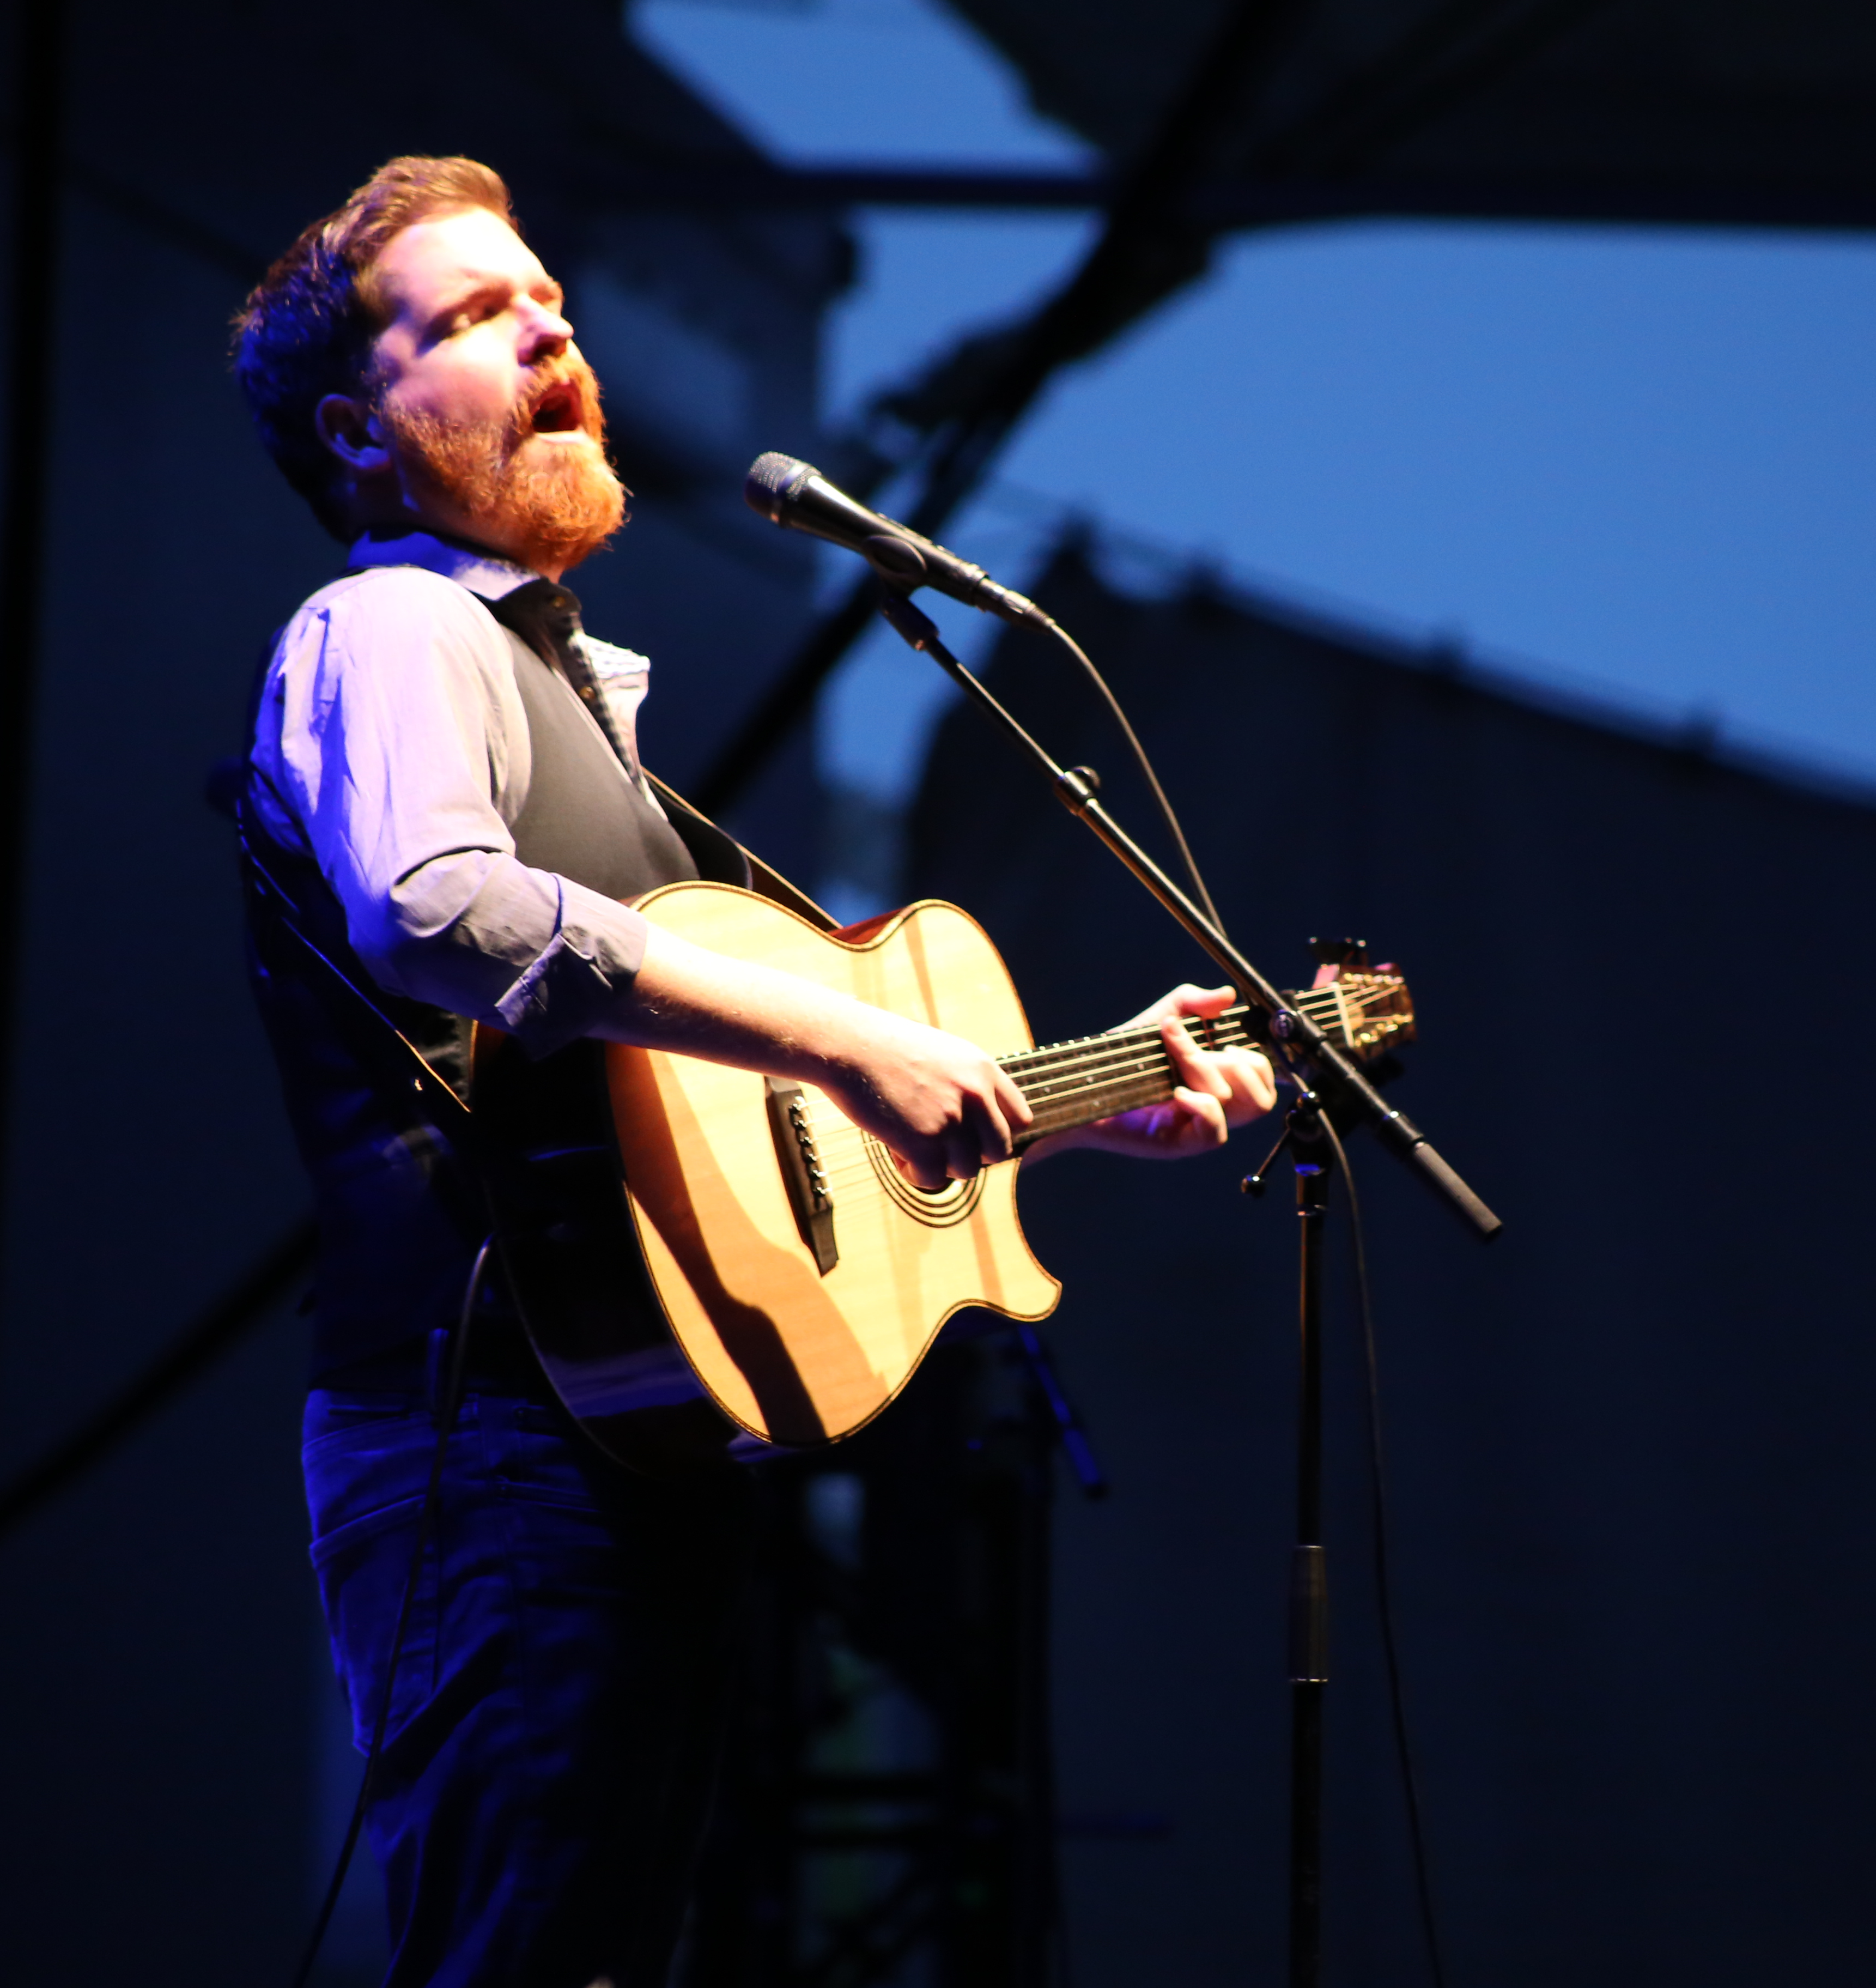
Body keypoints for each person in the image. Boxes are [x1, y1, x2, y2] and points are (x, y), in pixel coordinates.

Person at [227, 156, 1275, 1987]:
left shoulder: (577, 708)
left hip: (622, 1442)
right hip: (493, 1432)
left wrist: (1086, 1107)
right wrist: (852, 1032)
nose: (545, 328)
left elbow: (733, 1134)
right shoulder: (392, 624)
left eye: (547, 298)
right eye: (473, 315)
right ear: (357, 428)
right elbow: (432, 909)